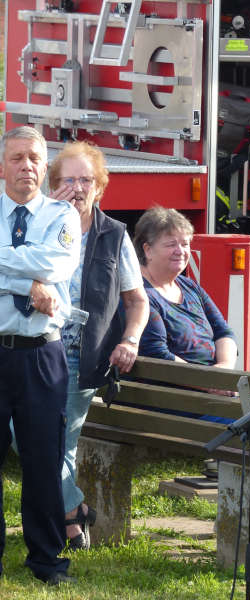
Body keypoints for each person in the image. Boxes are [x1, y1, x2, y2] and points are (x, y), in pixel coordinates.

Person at [22, 141, 148, 552]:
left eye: (86, 180)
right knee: (24, 437)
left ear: (100, 187)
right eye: (68, 179)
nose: (77, 187)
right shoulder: (36, 222)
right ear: (52, 184)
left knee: (59, 443)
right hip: (31, 347)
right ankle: (73, 510)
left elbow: (137, 300)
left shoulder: (114, 235)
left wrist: (130, 339)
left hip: (78, 354)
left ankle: (66, 526)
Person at [0, 126, 81, 585]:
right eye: (17, 158)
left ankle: (47, 560)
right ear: (3, 166)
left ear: (43, 165)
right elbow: (40, 269)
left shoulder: (62, 215)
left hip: (41, 356)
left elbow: (57, 266)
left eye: (34, 158)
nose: (26, 166)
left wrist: (8, 265)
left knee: (43, 460)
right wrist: (28, 283)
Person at [134, 207, 237, 372]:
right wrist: (210, 383)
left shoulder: (189, 285)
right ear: (148, 250)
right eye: (171, 244)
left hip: (213, 383)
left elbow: (223, 332)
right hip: (180, 391)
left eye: (185, 244)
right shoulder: (139, 294)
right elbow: (157, 354)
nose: (180, 251)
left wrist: (224, 367)